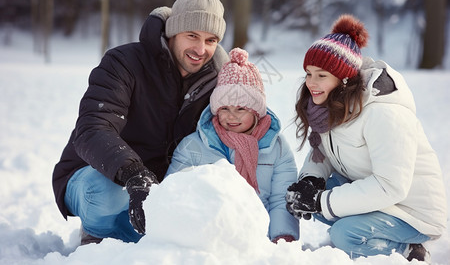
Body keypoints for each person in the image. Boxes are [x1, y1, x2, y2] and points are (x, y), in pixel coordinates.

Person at [52, 0, 229, 245]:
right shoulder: (124, 63)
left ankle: (142, 240)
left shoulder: (217, 79)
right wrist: (134, 174)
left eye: (211, 40)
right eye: (192, 36)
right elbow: (93, 128)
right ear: (173, 32)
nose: (201, 49)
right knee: (106, 195)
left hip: (159, 186)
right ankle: (100, 237)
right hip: (95, 173)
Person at [285, 14, 447, 262]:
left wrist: (322, 201)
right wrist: (310, 181)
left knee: (344, 235)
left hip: (412, 211)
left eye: (322, 75)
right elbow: (324, 150)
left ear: (344, 78)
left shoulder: (383, 112)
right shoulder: (330, 105)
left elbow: (391, 185)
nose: (311, 83)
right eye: (308, 73)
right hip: (375, 193)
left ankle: (409, 249)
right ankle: (358, 221)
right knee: (307, 200)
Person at [165, 47, 299, 243]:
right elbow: (174, 192)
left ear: (256, 111)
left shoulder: (276, 148)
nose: (231, 116)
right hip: (209, 234)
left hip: (259, 235)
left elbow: (282, 198)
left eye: (241, 109)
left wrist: (281, 236)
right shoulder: (194, 146)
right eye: (224, 108)